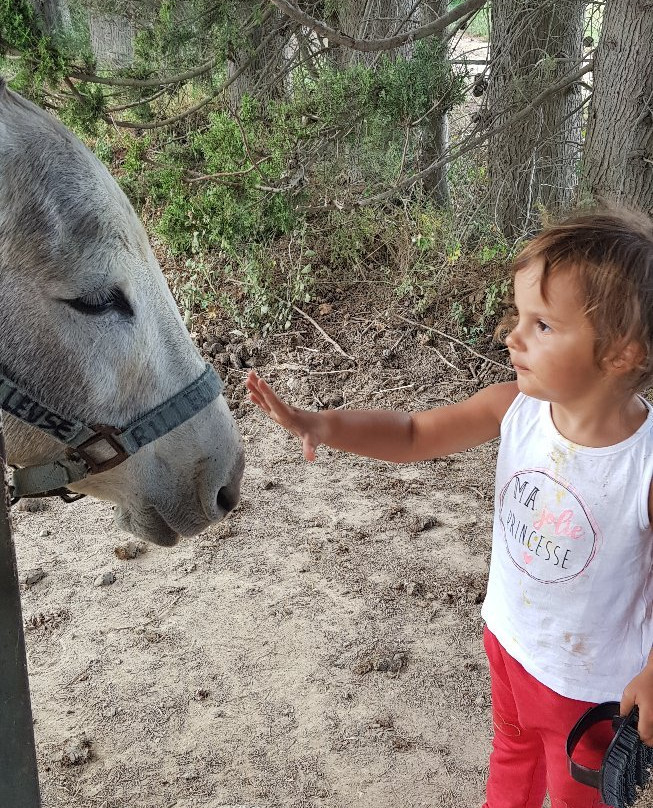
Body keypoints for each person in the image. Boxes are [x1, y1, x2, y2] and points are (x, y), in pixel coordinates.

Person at [246, 207, 653, 808]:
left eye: (542, 325)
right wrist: (323, 424)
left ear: (620, 354)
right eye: (519, 316)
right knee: (511, 761)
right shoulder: (512, 407)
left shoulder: (642, 465)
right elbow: (413, 434)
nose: (512, 335)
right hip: (508, 642)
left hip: (589, 688)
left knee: (575, 798)